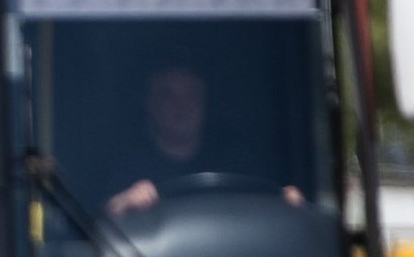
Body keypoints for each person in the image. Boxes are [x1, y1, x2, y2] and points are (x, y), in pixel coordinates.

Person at [107, 63, 302, 216]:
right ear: (150, 104)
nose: (181, 104)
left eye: (191, 93)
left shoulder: (233, 155)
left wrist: (286, 203)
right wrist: (125, 202)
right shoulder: (128, 162)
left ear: (204, 102)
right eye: (168, 94)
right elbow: (100, 225)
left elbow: (265, 204)